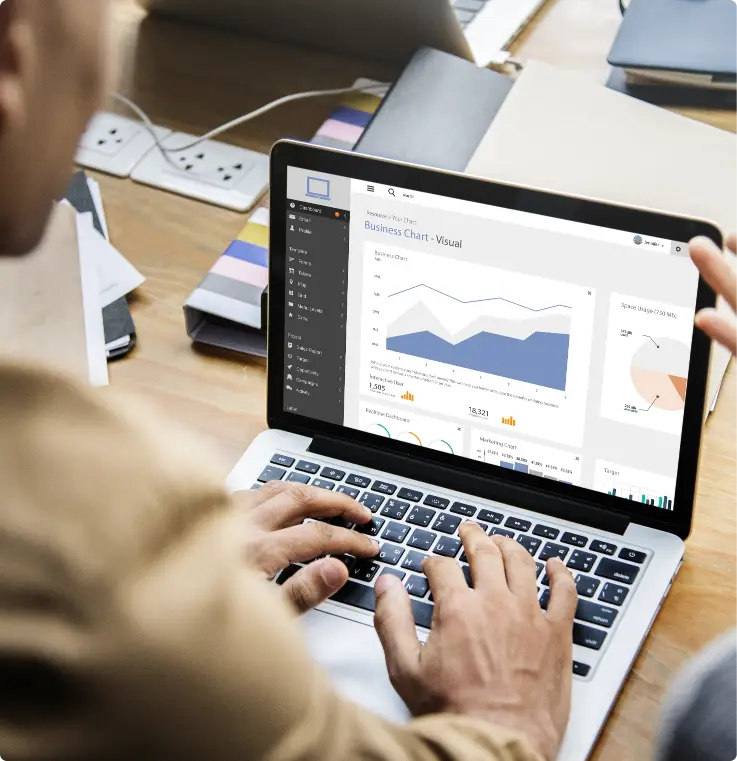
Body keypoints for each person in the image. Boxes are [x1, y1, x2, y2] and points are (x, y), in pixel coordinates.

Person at [0, 4, 734, 761]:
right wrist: (505, 716)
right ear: (14, 64)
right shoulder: (76, 535)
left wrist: (182, 601)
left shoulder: (105, 554)